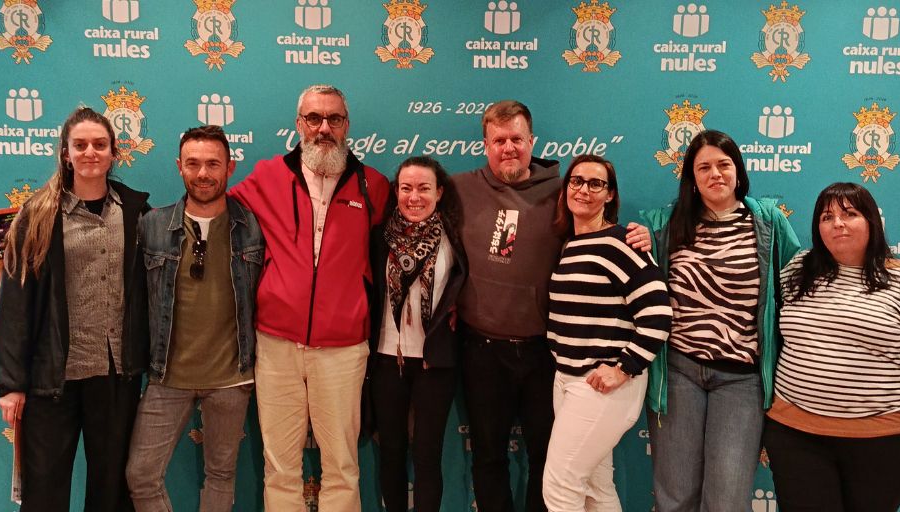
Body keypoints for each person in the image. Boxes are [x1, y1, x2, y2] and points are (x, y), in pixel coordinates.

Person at [454, 100, 652, 512]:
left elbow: (601, 232)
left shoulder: (563, 193)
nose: (508, 148)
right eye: (498, 140)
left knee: (549, 460)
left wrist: (642, 237)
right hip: (482, 350)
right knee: (488, 456)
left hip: (544, 354)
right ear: (485, 145)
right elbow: (412, 206)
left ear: (532, 142)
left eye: (516, 139)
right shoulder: (459, 189)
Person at [229, 84, 389, 511]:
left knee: (342, 466)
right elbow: (214, 209)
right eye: (314, 119)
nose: (324, 128)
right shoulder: (267, 175)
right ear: (299, 124)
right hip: (276, 344)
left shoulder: (373, 186)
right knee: (280, 466)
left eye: (333, 119)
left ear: (346, 125)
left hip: (343, 348)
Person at [0, 106, 150, 512]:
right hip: (52, 377)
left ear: (114, 153)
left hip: (115, 376)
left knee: (111, 491)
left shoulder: (137, 213)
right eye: (80, 145)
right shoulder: (37, 216)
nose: (90, 152)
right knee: (44, 490)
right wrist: (10, 383)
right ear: (66, 153)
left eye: (99, 144)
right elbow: (15, 304)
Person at [764, 182, 900, 512]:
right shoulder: (797, 272)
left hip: (881, 442)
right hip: (795, 437)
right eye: (827, 217)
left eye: (849, 214)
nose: (837, 223)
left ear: (871, 222)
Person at [641, 129, 801, 512]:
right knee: (675, 496)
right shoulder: (666, 224)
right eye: (704, 167)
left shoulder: (767, 221)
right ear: (692, 178)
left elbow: (795, 283)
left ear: (738, 171)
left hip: (741, 380)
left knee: (727, 501)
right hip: (678, 373)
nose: (715, 174)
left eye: (724, 165)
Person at [125, 125, 264, 511]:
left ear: (230, 168)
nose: (203, 173)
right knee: (141, 475)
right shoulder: (152, 226)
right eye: (193, 164)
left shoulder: (253, 227)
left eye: (213, 164)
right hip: (167, 376)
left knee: (221, 474)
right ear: (179, 167)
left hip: (232, 378)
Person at [543, 155, 672, 511]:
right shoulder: (570, 245)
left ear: (610, 194)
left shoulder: (621, 243)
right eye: (576, 181)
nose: (584, 189)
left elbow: (658, 313)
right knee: (595, 488)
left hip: (603, 386)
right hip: (567, 380)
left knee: (560, 486)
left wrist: (623, 368)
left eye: (596, 183)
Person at [368, 156, 467, 512]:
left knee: (427, 456)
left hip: (433, 362)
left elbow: (470, 287)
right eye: (406, 188)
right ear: (395, 191)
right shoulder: (379, 237)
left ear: (439, 193)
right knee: (391, 452)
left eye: (424, 188)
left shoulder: (455, 238)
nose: (414, 197)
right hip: (386, 359)